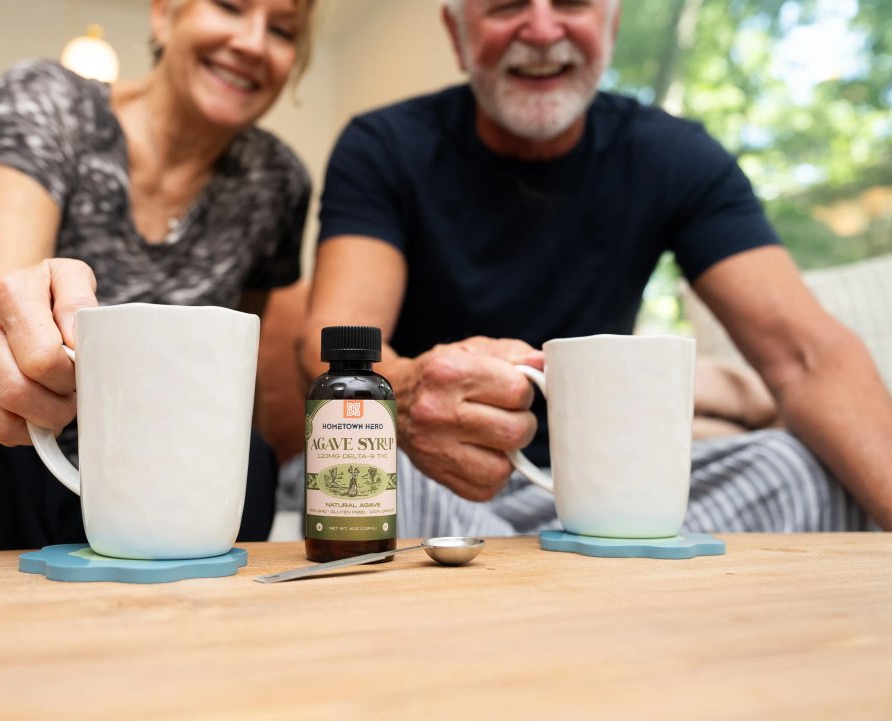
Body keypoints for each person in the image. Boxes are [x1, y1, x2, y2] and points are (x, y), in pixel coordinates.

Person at [299, 0, 892, 536]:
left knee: (792, 466)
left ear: (611, 25)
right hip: (434, 472)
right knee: (374, 466)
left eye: (572, 2)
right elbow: (333, 348)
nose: (541, 28)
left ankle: (526, 583)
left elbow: (808, 355)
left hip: (599, 486)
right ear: (457, 34)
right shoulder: (382, 145)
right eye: (506, 6)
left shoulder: (676, 156)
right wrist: (405, 398)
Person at [0, 0, 317, 556]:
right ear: (164, 15)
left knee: (252, 461)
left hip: (128, 470)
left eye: (282, 30)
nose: (252, 42)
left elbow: (233, 366)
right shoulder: (48, 103)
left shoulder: (276, 182)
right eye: (229, 7)